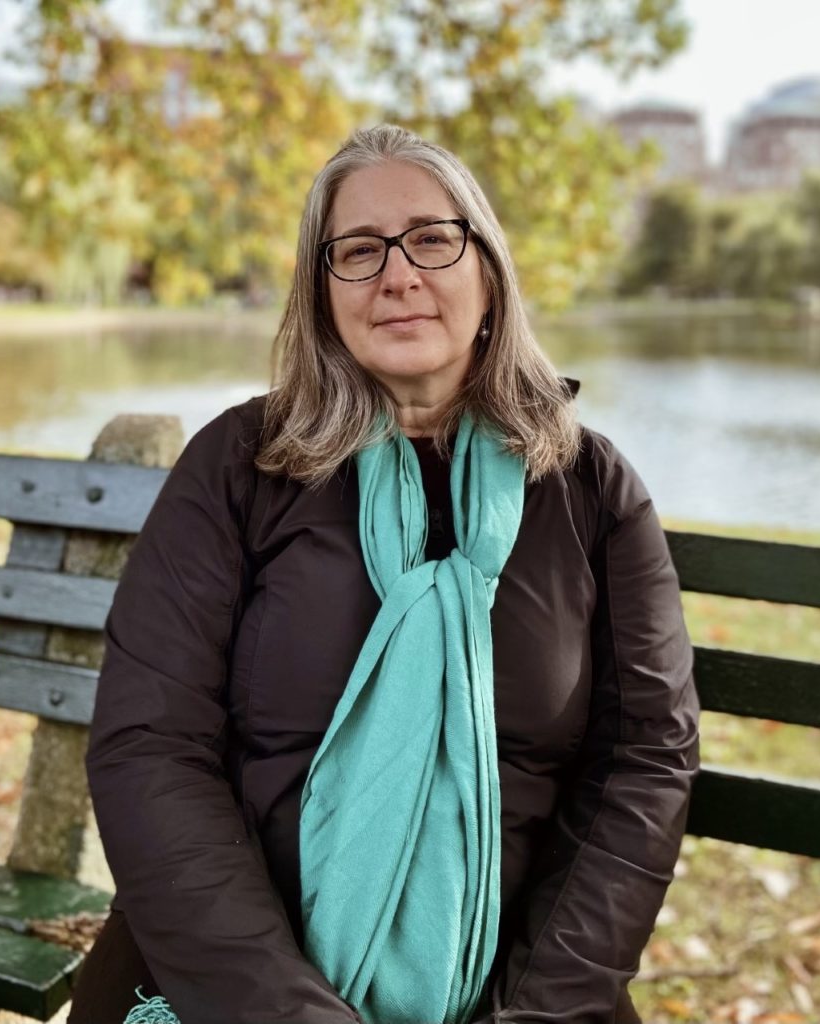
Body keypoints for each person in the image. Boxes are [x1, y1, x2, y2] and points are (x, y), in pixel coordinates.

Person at [68, 123, 700, 1024]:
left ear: (487, 270)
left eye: (432, 240)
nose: (398, 274)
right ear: (322, 294)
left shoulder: (590, 489)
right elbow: (150, 746)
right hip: (235, 986)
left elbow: (644, 758)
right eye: (358, 252)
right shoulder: (240, 466)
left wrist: (542, 1007)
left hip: (511, 991)